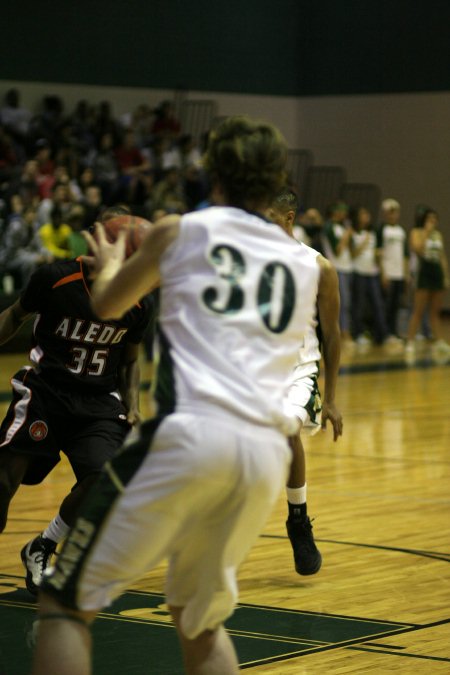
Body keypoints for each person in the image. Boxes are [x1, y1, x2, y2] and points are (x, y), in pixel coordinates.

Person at [32, 116, 321, 675]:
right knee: (198, 618)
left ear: (213, 175)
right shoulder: (303, 264)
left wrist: (115, 264)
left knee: (63, 605)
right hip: (264, 455)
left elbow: (109, 306)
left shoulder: (179, 231)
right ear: (275, 178)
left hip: (193, 433)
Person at [0, 206, 153, 596]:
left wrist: (133, 404)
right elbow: (15, 316)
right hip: (45, 391)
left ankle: (43, 545)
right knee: (3, 481)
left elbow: (131, 361)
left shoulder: (137, 301)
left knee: (104, 481)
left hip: (98, 401)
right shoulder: (55, 277)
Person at [267, 188, 342, 575]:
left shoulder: (318, 266)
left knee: (286, 430)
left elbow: (332, 334)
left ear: (290, 219)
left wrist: (330, 399)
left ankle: (298, 519)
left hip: (299, 371)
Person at [405, 209, 450, 358]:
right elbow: (417, 249)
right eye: (429, 219)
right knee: (418, 310)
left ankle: (438, 340)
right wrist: (426, 232)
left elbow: (442, 256)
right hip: (423, 273)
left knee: (435, 311)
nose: (432, 221)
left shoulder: (438, 235)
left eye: (434, 219)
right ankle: (410, 340)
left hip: (436, 273)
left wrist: (445, 276)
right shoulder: (416, 232)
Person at [376, 198, 409, 339]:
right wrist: (383, 273)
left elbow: (405, 255)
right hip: (387, 273)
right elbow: (378, 253)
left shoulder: (401, 231)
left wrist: (406, 273)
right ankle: (384, 333)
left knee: (396, 305)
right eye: (389, 213)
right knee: (386, 305)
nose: (392, 216)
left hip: (399, 273)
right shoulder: (382, 230)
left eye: (395, 213)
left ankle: (394, 331)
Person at [322, 202, 354, 348]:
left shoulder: (342, 227)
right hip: (337, 268)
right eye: (341, 211)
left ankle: (346, 332)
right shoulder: (330, 227)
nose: (344, 214)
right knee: (341, 303)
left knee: (347, 303)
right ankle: (342, 334)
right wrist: (347, 235)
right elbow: (338, 250)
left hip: (347, 268)